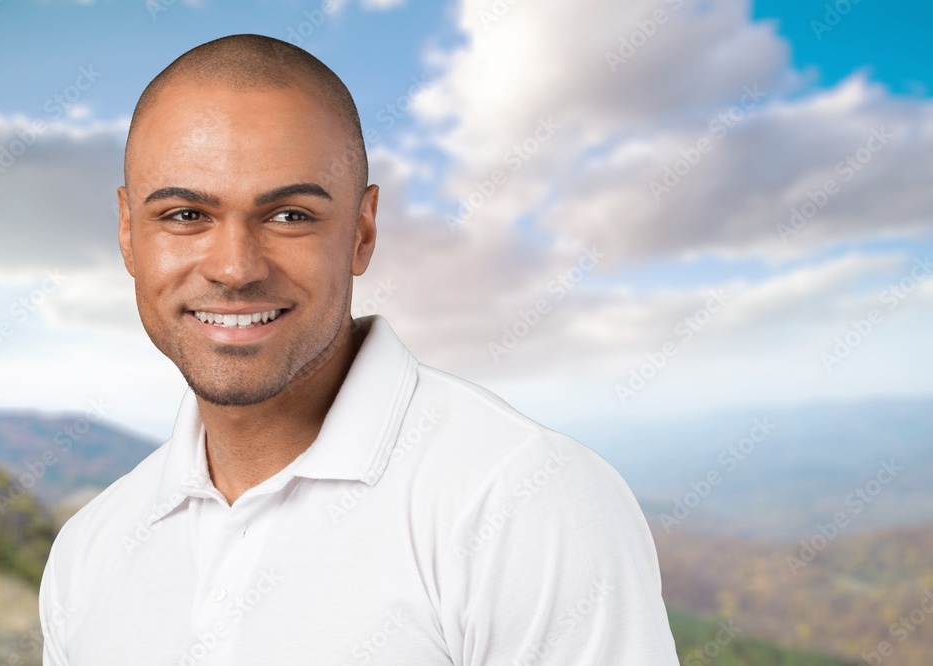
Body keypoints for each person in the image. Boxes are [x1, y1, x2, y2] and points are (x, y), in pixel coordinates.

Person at [39, 33, 680, 665]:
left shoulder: (528, 501)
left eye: (289, 215)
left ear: (362, 233)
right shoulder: (87, 553)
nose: (235, 268)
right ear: (128, 233)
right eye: (184, 215)